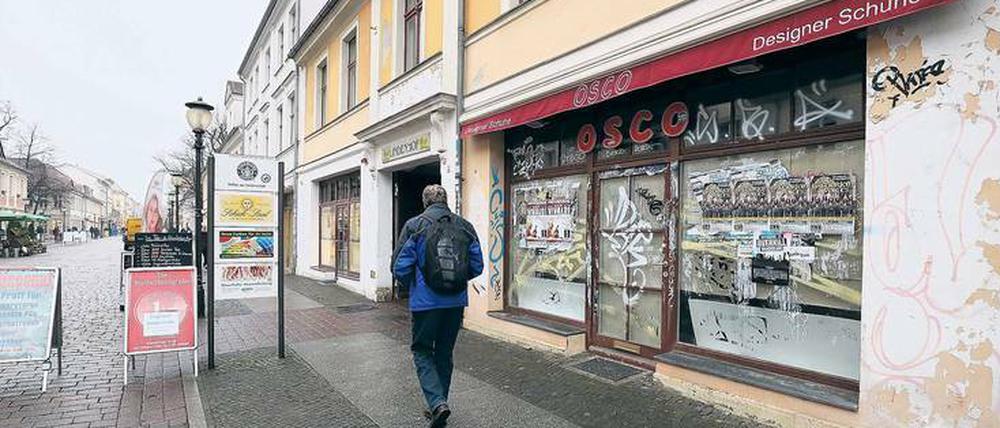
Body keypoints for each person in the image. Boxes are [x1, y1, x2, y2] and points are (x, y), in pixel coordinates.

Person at [392, 185, 483, 428]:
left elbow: (399, 267)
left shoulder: (415, 226)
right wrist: (456, 281)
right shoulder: (465, 226)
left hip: (425, 303)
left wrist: (414, 285)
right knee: (444, 352)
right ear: (446, 200)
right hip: (455, 302)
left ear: (425, 202)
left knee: (422, 351)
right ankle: (438, 405)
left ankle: (437, 403)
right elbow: (477, 265)